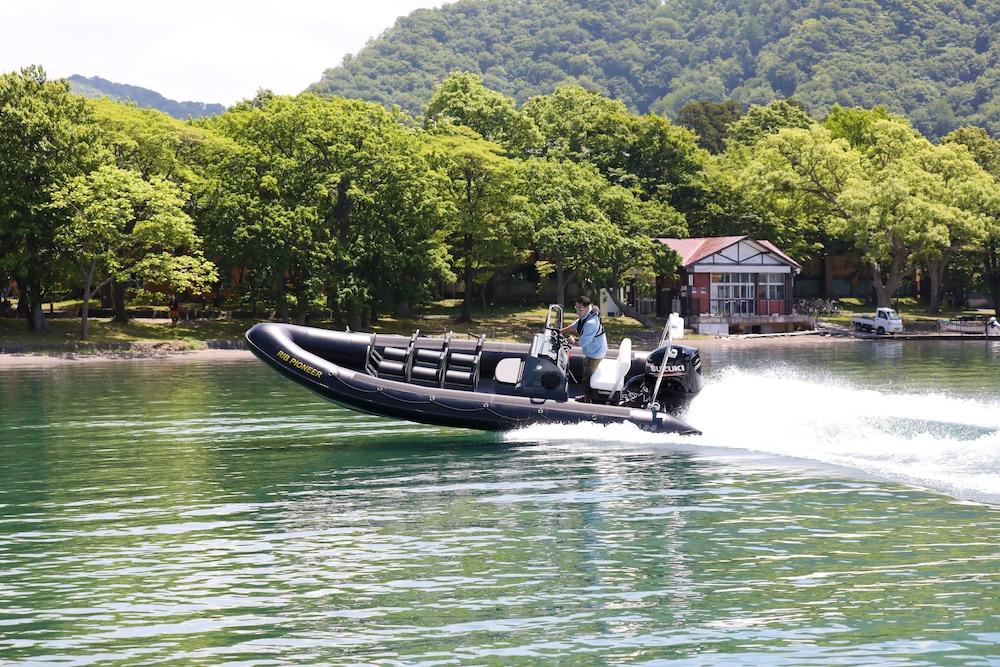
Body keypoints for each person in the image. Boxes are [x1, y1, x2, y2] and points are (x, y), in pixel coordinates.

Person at [560, 295, 607, 402]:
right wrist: (560, 331)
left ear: (587, 307)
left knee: (587, 378)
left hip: (595, 353)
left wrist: (572, 341)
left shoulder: (591, 323)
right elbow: (577, 324)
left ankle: (588, 400)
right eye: (575, 308)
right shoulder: (586, 314)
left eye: (579, 309)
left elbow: (582, 343)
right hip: (590, 351)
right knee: (585, 374)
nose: (577, 311)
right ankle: (586, 396)